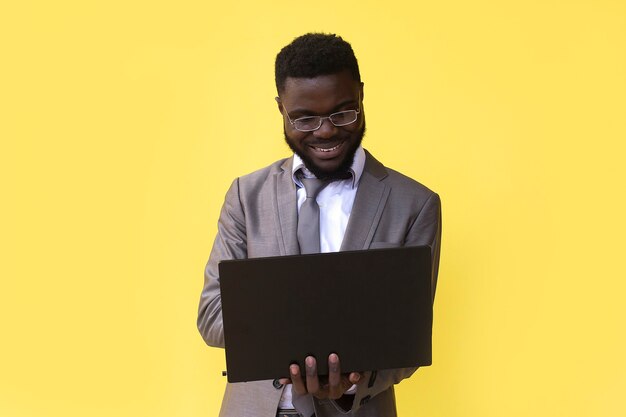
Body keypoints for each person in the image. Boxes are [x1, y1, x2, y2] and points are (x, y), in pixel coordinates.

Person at [197, 33, 442, 417]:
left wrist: (351, 383)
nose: (326, 131)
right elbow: (212, 316)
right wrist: (302, 342)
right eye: (305, 118)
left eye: (343, 113)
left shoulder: (414, 204)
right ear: (281, 109)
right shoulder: (246, 196)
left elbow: (407, 341)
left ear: (361, 95)